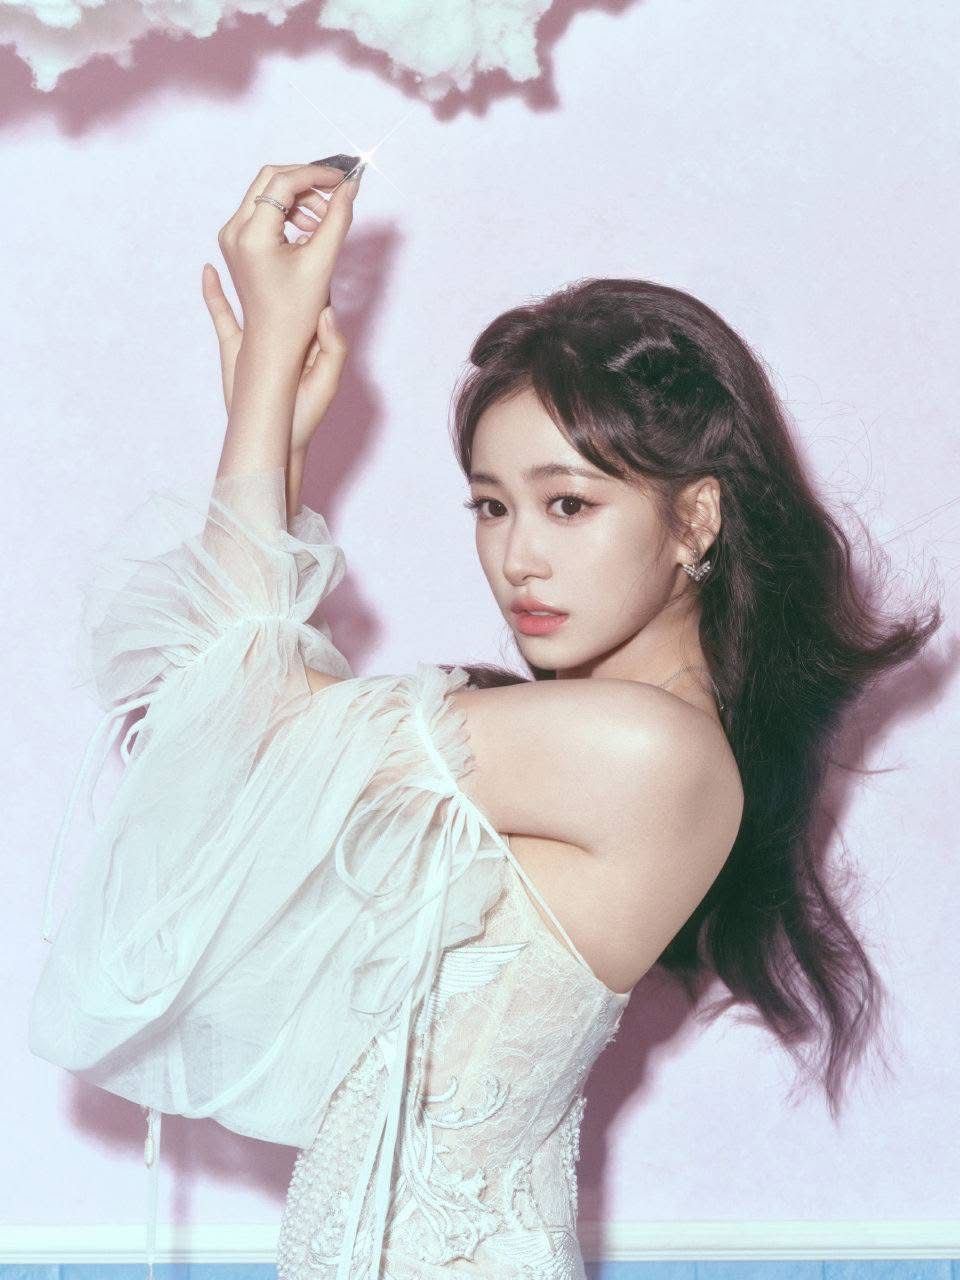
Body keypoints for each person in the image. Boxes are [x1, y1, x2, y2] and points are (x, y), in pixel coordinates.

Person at [28, 159, 941, 1280]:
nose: (518, 556)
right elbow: (215, 733)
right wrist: (269, 420)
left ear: (696, 517)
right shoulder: (557, 738)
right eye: (492, 505)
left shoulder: (648, 752)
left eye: (569, 503)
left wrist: (268, 373)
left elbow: (240, 722)